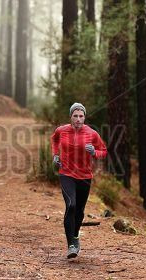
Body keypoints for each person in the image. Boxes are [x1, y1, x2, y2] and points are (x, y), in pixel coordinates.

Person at [50, 102, 107, 259]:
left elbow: (104, 151)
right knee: (71, 205)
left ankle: (75, 235)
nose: (78, 119)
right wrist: (55, 155)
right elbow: (54, 140)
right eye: (75, 116)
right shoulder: (61, 131)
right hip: (66, 174)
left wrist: (94, 151)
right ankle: (71, 245)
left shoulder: (92, 133)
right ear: (70, 117)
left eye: (81, 116)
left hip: (85, 176)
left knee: (80, 211)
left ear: (84, 117)